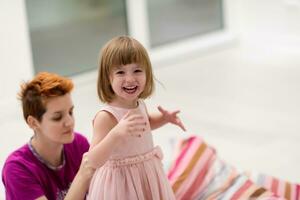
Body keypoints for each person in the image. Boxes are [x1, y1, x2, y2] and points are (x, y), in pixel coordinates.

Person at [86, 36, 186, 200]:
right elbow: (92, 161)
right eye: (120, 72)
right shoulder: (106, 117)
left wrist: (164, 118)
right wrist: (116, 134)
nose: (130, 79)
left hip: (146, 175)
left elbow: (145, 123)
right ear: (107, 78)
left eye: (137, 71)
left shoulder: (139, 104)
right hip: (120, 185)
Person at [2, 72, 122, 200]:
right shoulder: (17, 169)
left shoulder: (78, 143)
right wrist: (83, 175)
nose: (70, 122)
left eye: (70, 112)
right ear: (33, 122)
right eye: (57, 117)